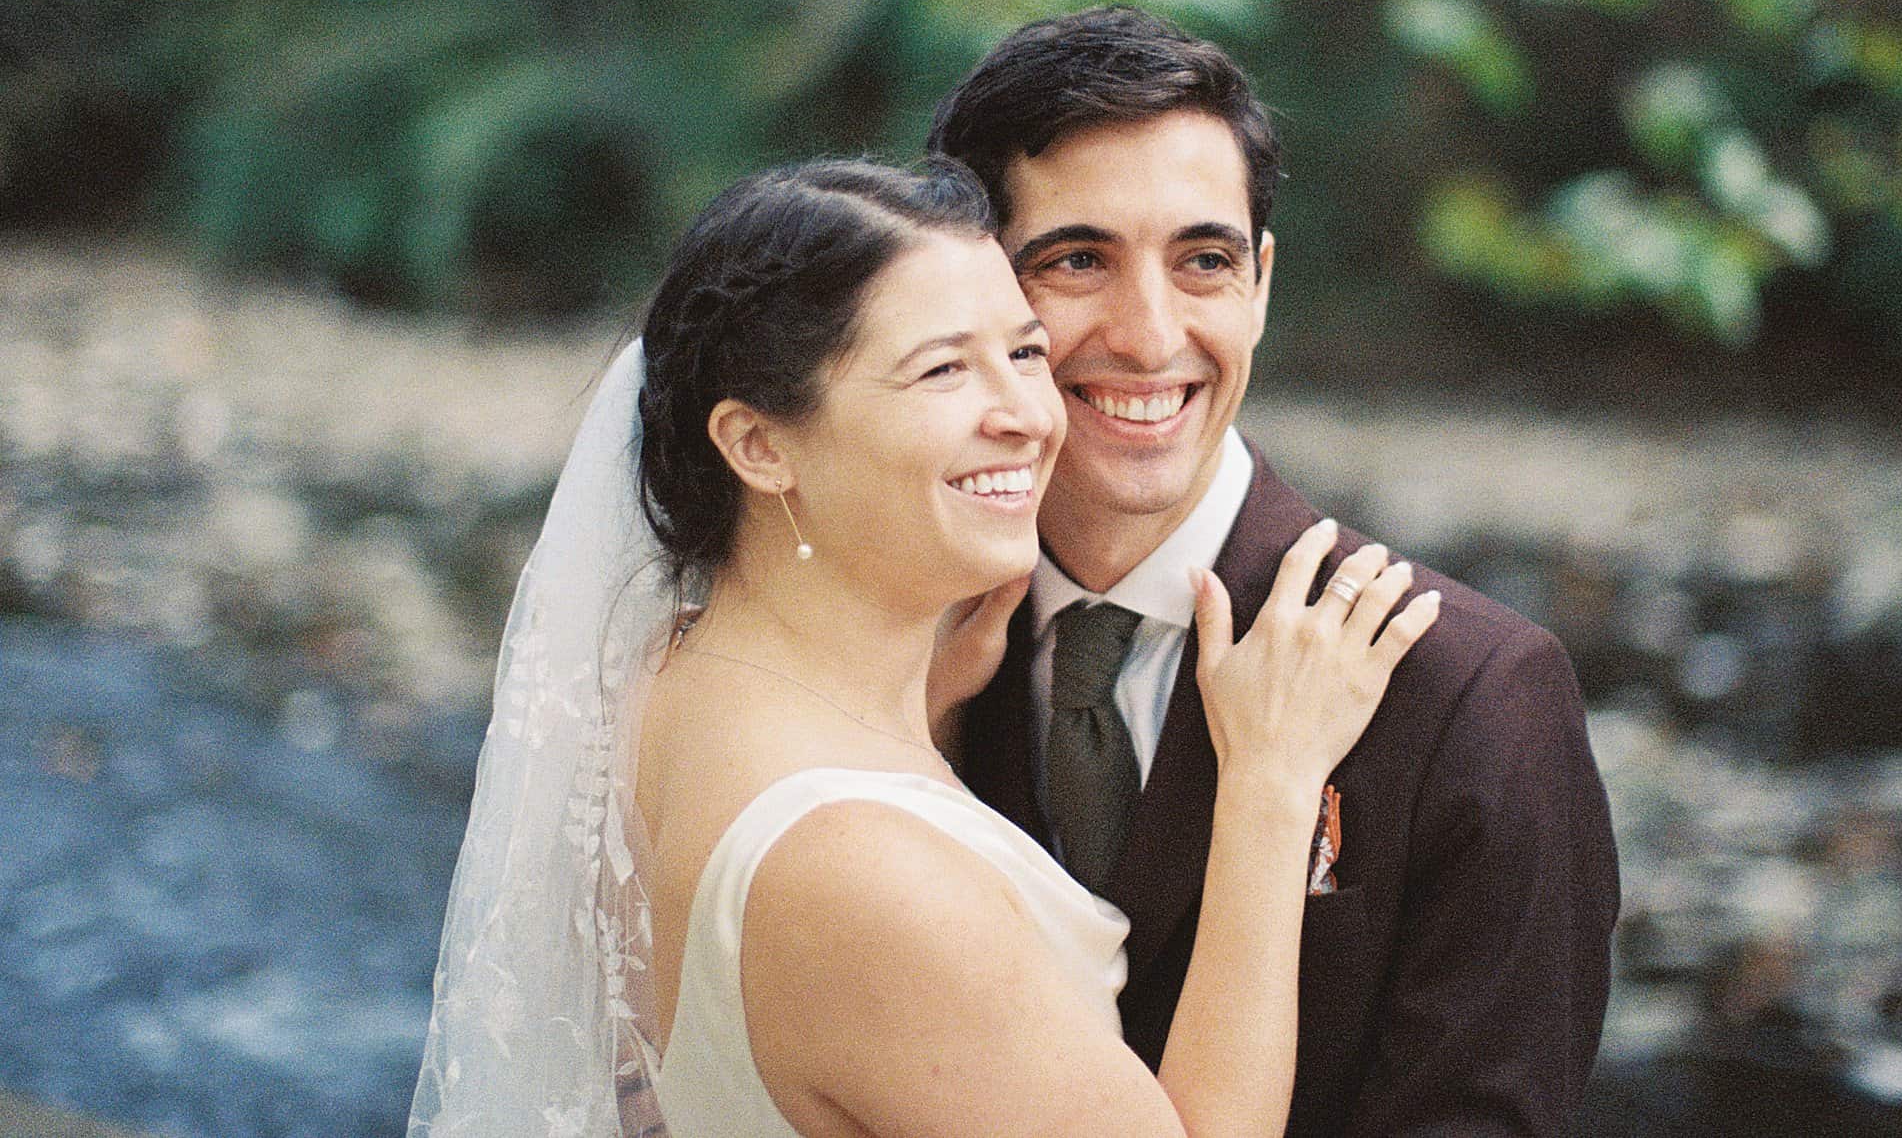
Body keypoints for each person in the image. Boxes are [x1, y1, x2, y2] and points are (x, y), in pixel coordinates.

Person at [409, 156, 1439, 1137]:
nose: (1029, 418)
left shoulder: (660, 678)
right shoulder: (871, 878)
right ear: (758, 445)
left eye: (1024, 352)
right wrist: (1268, 784)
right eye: (943, 370)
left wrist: (930, 704)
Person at [925, 6, 1622, 1136]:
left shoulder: (1473, 692)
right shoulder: (908, 651)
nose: (1149, 337)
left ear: (1259, 282)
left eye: (1201, 260)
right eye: (1077, 260)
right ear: (970, 293)